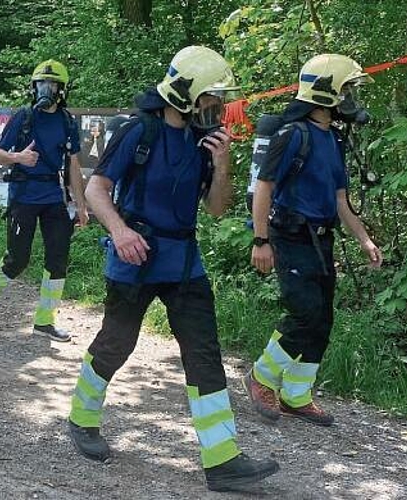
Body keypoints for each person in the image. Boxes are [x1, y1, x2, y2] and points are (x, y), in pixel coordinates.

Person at [64, 46, 279, 492]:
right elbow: (96, 188)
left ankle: (222, 461)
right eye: (210, 99)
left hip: (183, 263)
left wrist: (222, 166)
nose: (217, 109)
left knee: (203, 353)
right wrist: (121, 233)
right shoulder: (137, 131)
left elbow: (217, 210)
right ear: (184, 94)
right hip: (134, 259)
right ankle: (82, 419)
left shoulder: (205, 143)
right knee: (116, 343)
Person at [245, 54, 382, 426]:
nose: (351, 97)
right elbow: (264, 188)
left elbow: (340, 201)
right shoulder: (293, 135)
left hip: (321, 240)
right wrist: (261, 241)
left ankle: (296, 394)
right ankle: (261, 377)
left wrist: (364, 240)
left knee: (323, 318)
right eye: (347, 89)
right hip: (288, 235)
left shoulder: (334, 139)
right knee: (304, 311)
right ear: (326, 92)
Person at [0, 59, 89, 342]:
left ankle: (45, 320)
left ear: (61, 90)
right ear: (33, 88)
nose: (45, 90)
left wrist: (82, 206)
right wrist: (18, 158)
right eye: (40, 85)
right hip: (23, 196)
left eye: (50, 85)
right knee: (18, 259)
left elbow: (74, 165)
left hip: (53, 197)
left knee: (58, 258)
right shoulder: (23, 117)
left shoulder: (66, 121)